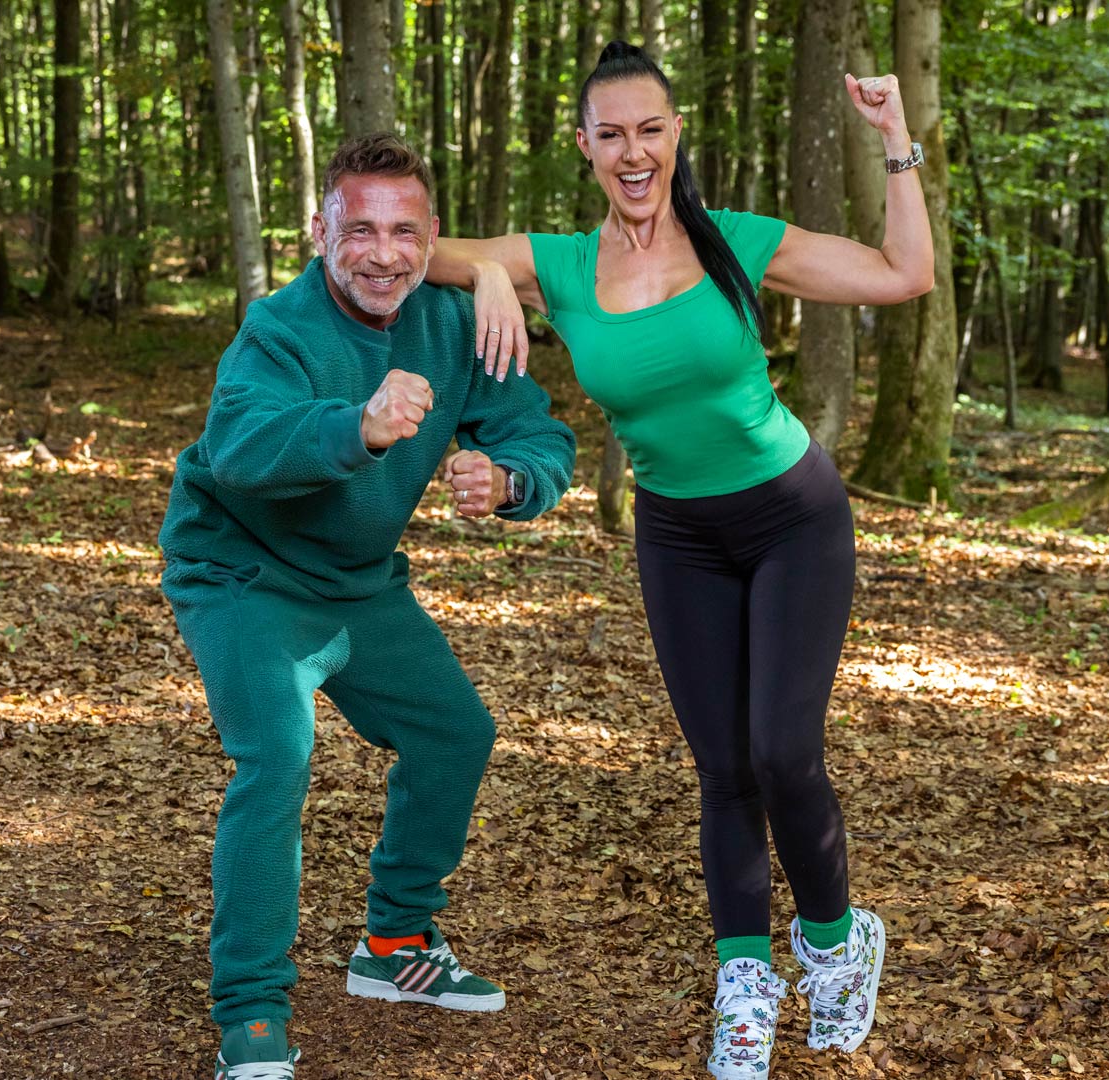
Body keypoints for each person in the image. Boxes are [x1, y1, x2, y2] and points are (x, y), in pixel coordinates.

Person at [427, 41, 933, 1080]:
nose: (632, 151)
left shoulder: (736, 242)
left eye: (649, 129)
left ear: (676, 133)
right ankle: (744, 983)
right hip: (680, 536)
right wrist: (485, 268)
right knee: (723, 766)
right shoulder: (561, 264)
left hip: (793, 517)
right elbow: (410, 246)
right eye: (610, 134)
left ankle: (836, 944)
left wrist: (895, 143)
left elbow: (902, 276)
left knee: (786, 751)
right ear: (584, 147)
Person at [159, 132, 577, 1080]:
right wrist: (358, 426)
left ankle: (393, 948)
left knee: (455, 733)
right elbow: (239, 447)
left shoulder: (454, 317)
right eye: (360, 229)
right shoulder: (279, 327)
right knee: (277, 754)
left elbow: (539, 433)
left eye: (405, 231)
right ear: (320, 231)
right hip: (243, 574)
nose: (383, 252)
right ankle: (253, 1014)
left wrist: (511, 481)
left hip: (356, 583)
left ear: (433, 242)